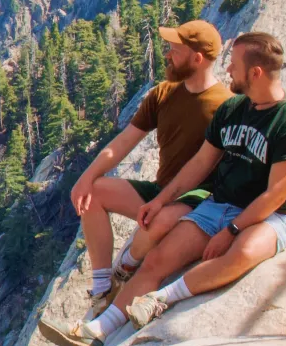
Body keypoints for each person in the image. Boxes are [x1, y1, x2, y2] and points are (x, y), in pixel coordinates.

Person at [41, 31, 286, 346]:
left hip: (267, 217)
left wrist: (232, 230)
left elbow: (275, 195)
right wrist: (160, 201)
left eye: (236, 65)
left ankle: (162, 299)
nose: (228, 69)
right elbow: (200, 163)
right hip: (218, 206)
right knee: (158, 259)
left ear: (255, 73)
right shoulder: (234, 110)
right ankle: (96, 332)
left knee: (243, 252)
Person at [67, 19, 231, 316]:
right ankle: (103, 287)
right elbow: (124, 141)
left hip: (195, 201)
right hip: (159, 191)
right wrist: (87, 177)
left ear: (197, 58)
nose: (167, 55)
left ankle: (124, 268)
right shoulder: (163, 94)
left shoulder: (226, 106)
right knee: (94, 192)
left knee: (158, 221)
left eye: (175, 50)